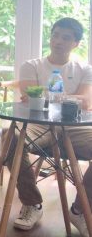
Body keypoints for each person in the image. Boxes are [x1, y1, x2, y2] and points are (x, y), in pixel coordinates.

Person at [10, 17, 92, 236]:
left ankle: (80, 210)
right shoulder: (31, 65)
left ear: (76, 43)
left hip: (74, 126)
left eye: (66, 37)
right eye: (55, 35)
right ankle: (32, 203)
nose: (58, 41)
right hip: (38, 123)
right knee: (10, 137)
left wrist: (45, 95)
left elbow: (86, 102)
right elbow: (29, 96)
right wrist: (70, 97)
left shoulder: (85, 69)